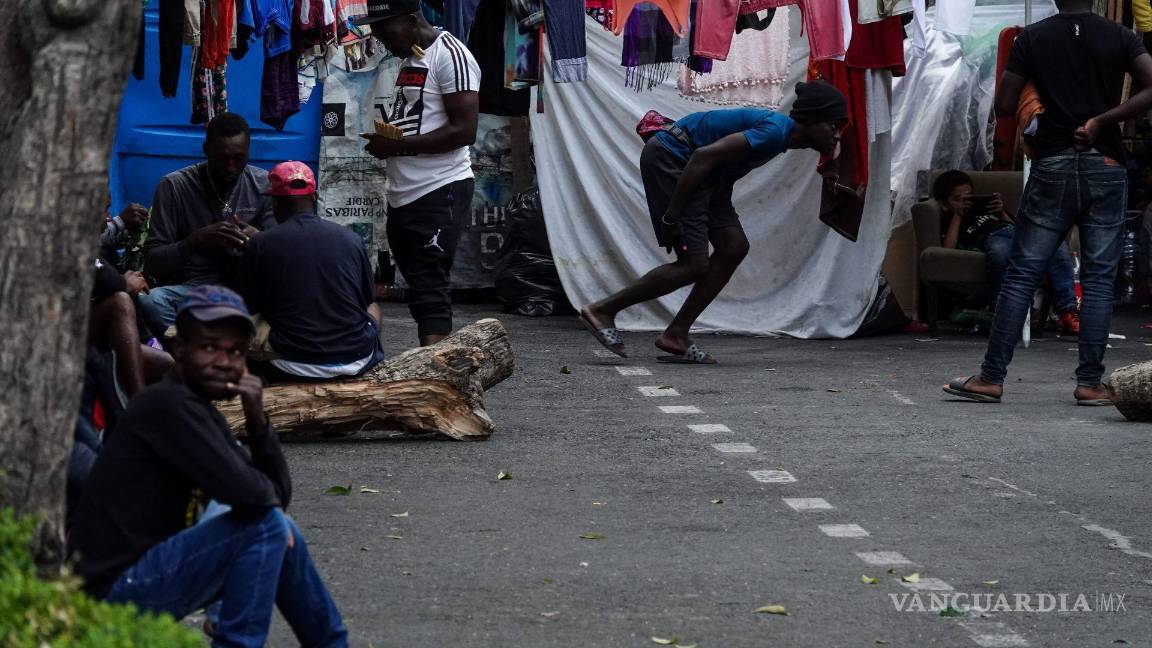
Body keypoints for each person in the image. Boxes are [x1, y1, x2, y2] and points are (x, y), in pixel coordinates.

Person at [69, 285, 348, 647]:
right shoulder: (168, 407)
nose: (224, 361)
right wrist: (268, 503)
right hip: (109, 596)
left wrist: (258, 420)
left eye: (235, 352)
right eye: (210, 347)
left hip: (143, 577)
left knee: (276, 525)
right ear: (180, 350)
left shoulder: (196, 408)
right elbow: (259, 498)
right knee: (266, 528)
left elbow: (273, 497)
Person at [943, 0, 1152, 405]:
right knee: (1098, 281)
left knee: (1021, 274)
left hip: (1053, 164)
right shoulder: (1121, 36)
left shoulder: (1033, 38)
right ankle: (1090, 383)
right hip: (1105, 164)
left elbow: (1003, 105)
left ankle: (991, 377)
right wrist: (1101, 121)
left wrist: (1036, 92)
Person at [578, 81, 848, 363]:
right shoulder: (774, 132)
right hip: (675, 159)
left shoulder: (783, 136)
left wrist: (833, 167)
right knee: (693, 265)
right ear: (810, 120)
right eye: (832, 126)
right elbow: (702, 156)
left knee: (733, 246)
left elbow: (721, 165)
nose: (837, 135)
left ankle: (676, 334)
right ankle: (604, 310)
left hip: (708, 178)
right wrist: (672, 216)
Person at [358, 0, 481, 346]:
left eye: (386, 28)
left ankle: (436, 377)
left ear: (412, 19)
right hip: (404, 192)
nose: (381, 38)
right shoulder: (410, 57)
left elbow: (463, 131)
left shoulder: (450, 55)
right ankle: (431, 366)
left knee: (430, 283)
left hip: (440, 187)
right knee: (417, 283)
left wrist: (394, 147)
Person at [237, 161, 385, 380]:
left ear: (275, 204)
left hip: (292, 363)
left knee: (240, 321)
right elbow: (365, 300)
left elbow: (250, 305)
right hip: (357, 360)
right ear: (315, 198)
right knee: (374, 307)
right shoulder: (352, 239)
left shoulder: (261, 244)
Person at [138, 112, 275, 340]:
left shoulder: (264, 184)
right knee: (151, 301)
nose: (231, 167)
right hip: (195, 290)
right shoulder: (174, 186)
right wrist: (195, 241)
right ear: (206, 149)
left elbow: (282, 253)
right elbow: (153, 262)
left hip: (248, 290)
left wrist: (257, 240)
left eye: (238, 158)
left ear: (249, 151)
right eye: (222, 158)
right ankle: (193, 351)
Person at [932, 170, 1080, 335]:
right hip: (993, 238)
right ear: (944, 204)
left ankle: (1068, 312)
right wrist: (958, 215)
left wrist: (1000, 212)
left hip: (1013, 231)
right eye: (958, 199)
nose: (966, 202)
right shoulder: (950, 220)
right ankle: (1004, 314)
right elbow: (947, 250)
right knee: (1001, 252)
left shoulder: (985, 210)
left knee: (1056, 245)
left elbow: (1015, 226)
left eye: (969, 197)